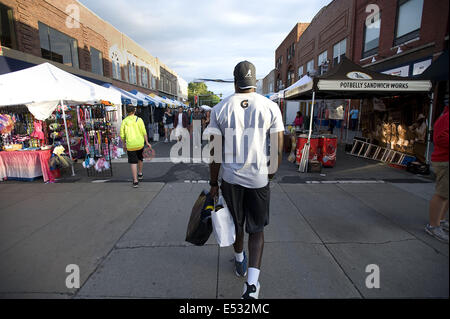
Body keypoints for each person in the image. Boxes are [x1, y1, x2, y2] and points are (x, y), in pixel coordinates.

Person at [205, 61, 284, 299]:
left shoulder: (220, 108)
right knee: (256, 230)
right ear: (255, 80)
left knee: (236, 224)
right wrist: (270, 172)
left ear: (234, 80)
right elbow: (278, 146)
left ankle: (239, 260)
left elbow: (214, 150)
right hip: (258, 177)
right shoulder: (270, 107)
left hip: (231, 178)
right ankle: (251, 286)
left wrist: (213, 183)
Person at [425, 105, 449, 243]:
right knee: (442, 194)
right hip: (444, 160)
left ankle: (440, 220)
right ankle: (434, 226)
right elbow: (439, 138)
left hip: (445, 159)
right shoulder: (446, 118)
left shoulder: (445, 116)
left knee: (446, 194)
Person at [120, 105, 152, 188]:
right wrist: (147, 142)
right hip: (139, 144)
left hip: (130, 145)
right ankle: (140, 173)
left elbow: (122, 135)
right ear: (134, 111)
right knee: (140, 159)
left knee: (133, 162)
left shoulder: (124, 121)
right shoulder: (139, 120)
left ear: (127, 111)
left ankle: (135, 181)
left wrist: (124, 144)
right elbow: (144, 132)